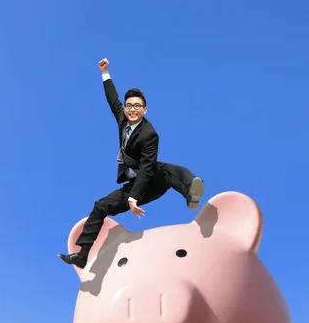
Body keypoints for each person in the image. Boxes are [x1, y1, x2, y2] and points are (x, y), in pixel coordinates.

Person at [58, 58, 204, 269]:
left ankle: (191, 191)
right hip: (134, 184)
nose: (132, 109)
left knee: (167, 170)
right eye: (129, 106)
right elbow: (112, 99)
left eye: (137, 106)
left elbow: (146, 169)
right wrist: (105, 73)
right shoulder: (122, 118)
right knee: (100, 206)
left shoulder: (149, 134)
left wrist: (134, 198)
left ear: (145, 110)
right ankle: (82, 254)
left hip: (150, 178)